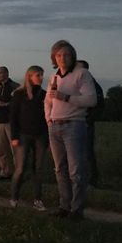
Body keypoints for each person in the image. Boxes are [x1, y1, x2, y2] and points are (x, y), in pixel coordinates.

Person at [45, 40, 97, 220]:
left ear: (72, 56)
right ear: (54, 57)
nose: (62, 58)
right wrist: (48, 119)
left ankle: (77, 210)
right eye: (58, 55)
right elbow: (48, 101)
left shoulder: (82, 74)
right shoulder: (54, 77)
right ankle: (64, 206)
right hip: (55, 126)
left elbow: (91, 100)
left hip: (74, 125)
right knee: (59, 169)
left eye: (66, 54)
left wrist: (65, 97)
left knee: (76, 170)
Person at [9, 66, 48, 211]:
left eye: (42, 75)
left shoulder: (44, 94)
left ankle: (38, 199)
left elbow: (48, 115)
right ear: (30, 77)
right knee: (20, 168)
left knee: (38, 168)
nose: (41, 78)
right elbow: (13, 117)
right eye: (38, 75)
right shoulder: (19, 94)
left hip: (41, 135)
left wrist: (48, 137)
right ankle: (14, 197)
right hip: (23, 135)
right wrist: (14, 136)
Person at [77, 60, 104, 188]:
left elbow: (98, 107)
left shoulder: (93, 85)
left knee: (87, 152)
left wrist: (88, 121)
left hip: (85, 124)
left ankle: (92, 181)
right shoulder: (77, 83)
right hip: (74, 123)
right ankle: (78, 179)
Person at [0, 67, 19, 180]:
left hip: (12, 121)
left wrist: (5, 105)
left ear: (6, 73)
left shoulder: (14, 86)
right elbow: (0, 103)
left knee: (15, 149)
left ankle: (18, 174)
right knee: (2, 149)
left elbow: (19, 102)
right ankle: (6, 172)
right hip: (1, 121)